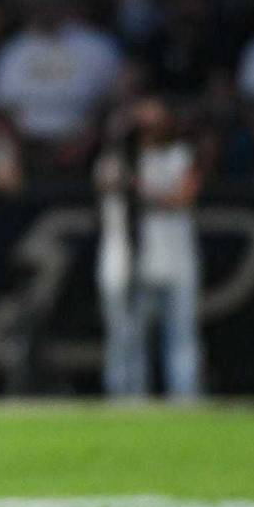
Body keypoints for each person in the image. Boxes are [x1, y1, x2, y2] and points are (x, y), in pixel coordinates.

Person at [96, 95, 204, 400]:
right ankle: (126, 397)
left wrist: (143, 191)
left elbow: (184, 196)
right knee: (128, 336)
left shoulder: (181, 155)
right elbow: (107, 183)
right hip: (132, 258)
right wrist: (120, 142)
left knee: (181, 335)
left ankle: (186, 397)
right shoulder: (115, 159)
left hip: (176, 256)